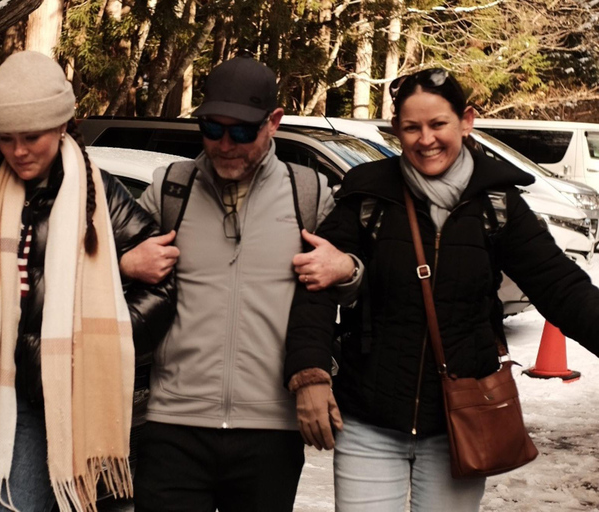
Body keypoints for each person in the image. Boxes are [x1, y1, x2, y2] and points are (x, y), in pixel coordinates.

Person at [285, 68, 599, 512]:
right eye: (412, 127)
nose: (426, 139)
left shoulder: (497, 203)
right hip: (370, 419)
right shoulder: (368, 196)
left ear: (466, 121)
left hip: (461, 420)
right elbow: (313, 284)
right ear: (396, 129)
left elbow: (561, 287)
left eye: (438, 124)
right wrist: (310, 374)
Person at [0, 51, 175, 512]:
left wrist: (84, 351)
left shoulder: (98, 196)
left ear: (62, 125)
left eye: (31, 137)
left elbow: (162, 289)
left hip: (37, 401)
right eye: (5, 138)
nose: (18, 151)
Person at [118, 56, 361, 512]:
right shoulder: (170, 189)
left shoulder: (308, 193)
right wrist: (124, 263)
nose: (226, 144)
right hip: (173, 425)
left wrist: (347, 268)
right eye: (212, 129)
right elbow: (94, 268)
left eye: (243, 132)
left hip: (270, 432)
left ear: (273, 122)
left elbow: (351, 287)